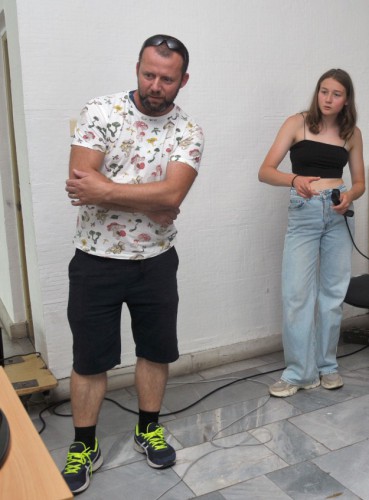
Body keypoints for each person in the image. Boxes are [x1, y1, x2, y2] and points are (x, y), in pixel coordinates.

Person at [62, 34, 203, 494]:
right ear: (137, 68)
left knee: (155, 350)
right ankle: (85, 445)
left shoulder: (189, 131)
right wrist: (152, 202)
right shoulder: (100, 112)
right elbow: (82, 186)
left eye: (167, 78)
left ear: (183, 80)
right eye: (148, 74)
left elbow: (173, 194)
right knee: (89, 359)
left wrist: (108, 190)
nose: (155, 85)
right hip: (95, 258)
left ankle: (148, 428)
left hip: (156, 261)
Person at [258, 69, 365, 398]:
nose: (328, 99)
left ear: (346, 99)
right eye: (324, 91)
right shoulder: (297, 123)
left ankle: (327, 366)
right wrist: (294, 180)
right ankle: (299, 373)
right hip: (304, 211)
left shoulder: (352, 133)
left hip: (337, 213)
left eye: (336, 94)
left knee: (332, 294)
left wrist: (350, 195)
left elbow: (360, 182)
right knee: (296, 295)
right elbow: (265, 171)